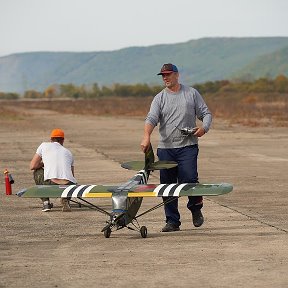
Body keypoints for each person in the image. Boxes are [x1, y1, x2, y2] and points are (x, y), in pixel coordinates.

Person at [140, 63, 212, 232]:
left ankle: (195, 209)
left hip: (188, 146)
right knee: (167, 185)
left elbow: (205, 113)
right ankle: (172, 221)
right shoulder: (159, 98)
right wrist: (146, 136)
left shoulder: (191, 93)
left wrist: (204, 128)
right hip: (166, 148)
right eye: (162, 75)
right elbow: (151, 118)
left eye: (168, 74)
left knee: (189, 180)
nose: (165, 78)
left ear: (177, 75)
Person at [30, 128, 77, 212]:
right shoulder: (69, 153)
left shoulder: (44, 145)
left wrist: (44, 163)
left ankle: (46, 203)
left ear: (51, 139)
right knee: (69, 179)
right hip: (68, 184)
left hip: (52, 183)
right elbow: (72, 175)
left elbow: (33, 166)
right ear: (63, 140)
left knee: (37, 171)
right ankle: (65, 199)